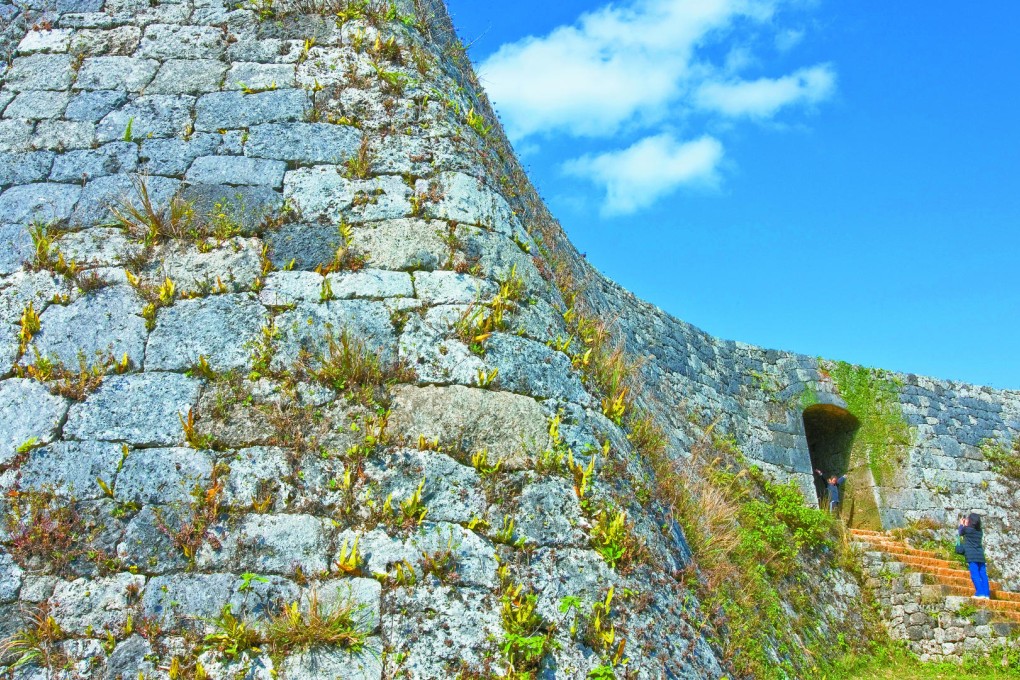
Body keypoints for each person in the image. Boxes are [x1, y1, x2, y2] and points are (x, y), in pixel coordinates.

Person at [958, 513, 991, 599]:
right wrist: (966, 525)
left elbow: (960, 532)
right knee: (983, 574)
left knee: (975, 574)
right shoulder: (980, 531)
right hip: (980, 555)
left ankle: (980, 592)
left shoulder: (967, 529)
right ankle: (986, 594)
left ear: (970, 521)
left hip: (972, 556)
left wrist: (962, 524)